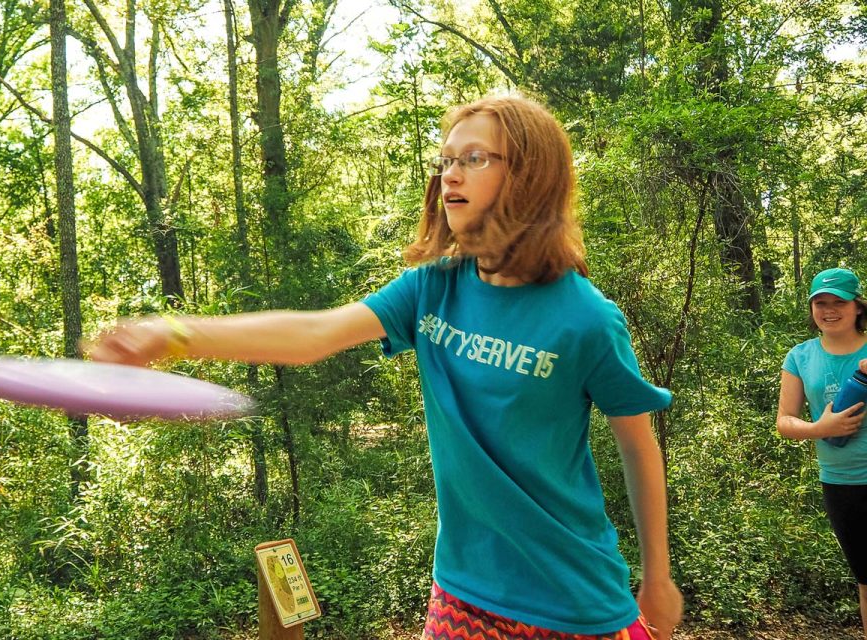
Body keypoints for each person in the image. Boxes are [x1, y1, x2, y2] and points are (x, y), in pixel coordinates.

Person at [88, 95, 683, 640]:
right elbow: (314, 333)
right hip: (462, 592)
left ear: (529, 175)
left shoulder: (586, 320)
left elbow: (637, 445)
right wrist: (170, 333)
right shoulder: (433, 289)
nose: (449, 173)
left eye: (474, 158)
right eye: (446, 159)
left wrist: (657, 577)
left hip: (574, 603)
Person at [777, 267, 867, 639]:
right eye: (821, 303)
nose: (829, 310)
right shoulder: (800, 356)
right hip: (842, 482)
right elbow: (785, 420)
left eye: (839, 302)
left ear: (858, 306)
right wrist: (820, 429)